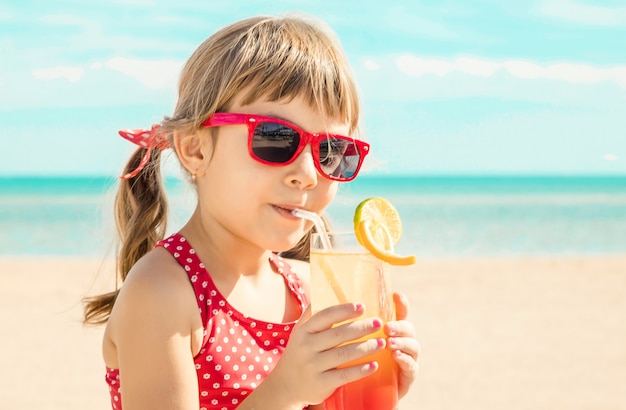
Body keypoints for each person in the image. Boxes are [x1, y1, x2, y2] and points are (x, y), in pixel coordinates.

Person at [83, 13, 420, 410]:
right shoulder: (163, 293)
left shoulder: (309, 289)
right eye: (276, 139)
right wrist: (286, 390)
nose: (308, 175)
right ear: (196, 150)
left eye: (332, 152)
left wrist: (365, 390)